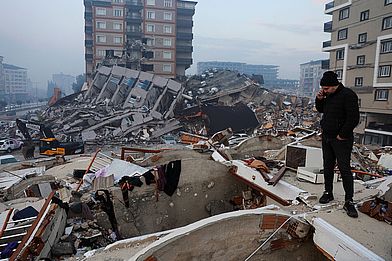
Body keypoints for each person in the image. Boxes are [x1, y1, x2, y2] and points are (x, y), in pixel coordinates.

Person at [315, 71, 360, 218]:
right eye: (323, 88)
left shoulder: (348, 95)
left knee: (344, 168)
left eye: (326, 88)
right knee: (327, 166)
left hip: (341, 140)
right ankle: (328, 193)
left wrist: (342, 135)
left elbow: (354, 118)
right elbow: (321, 110)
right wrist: (319, 99)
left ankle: (349, 201)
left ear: (335, 85)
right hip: (327, 137)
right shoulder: (328, 95)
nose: (324, 90)